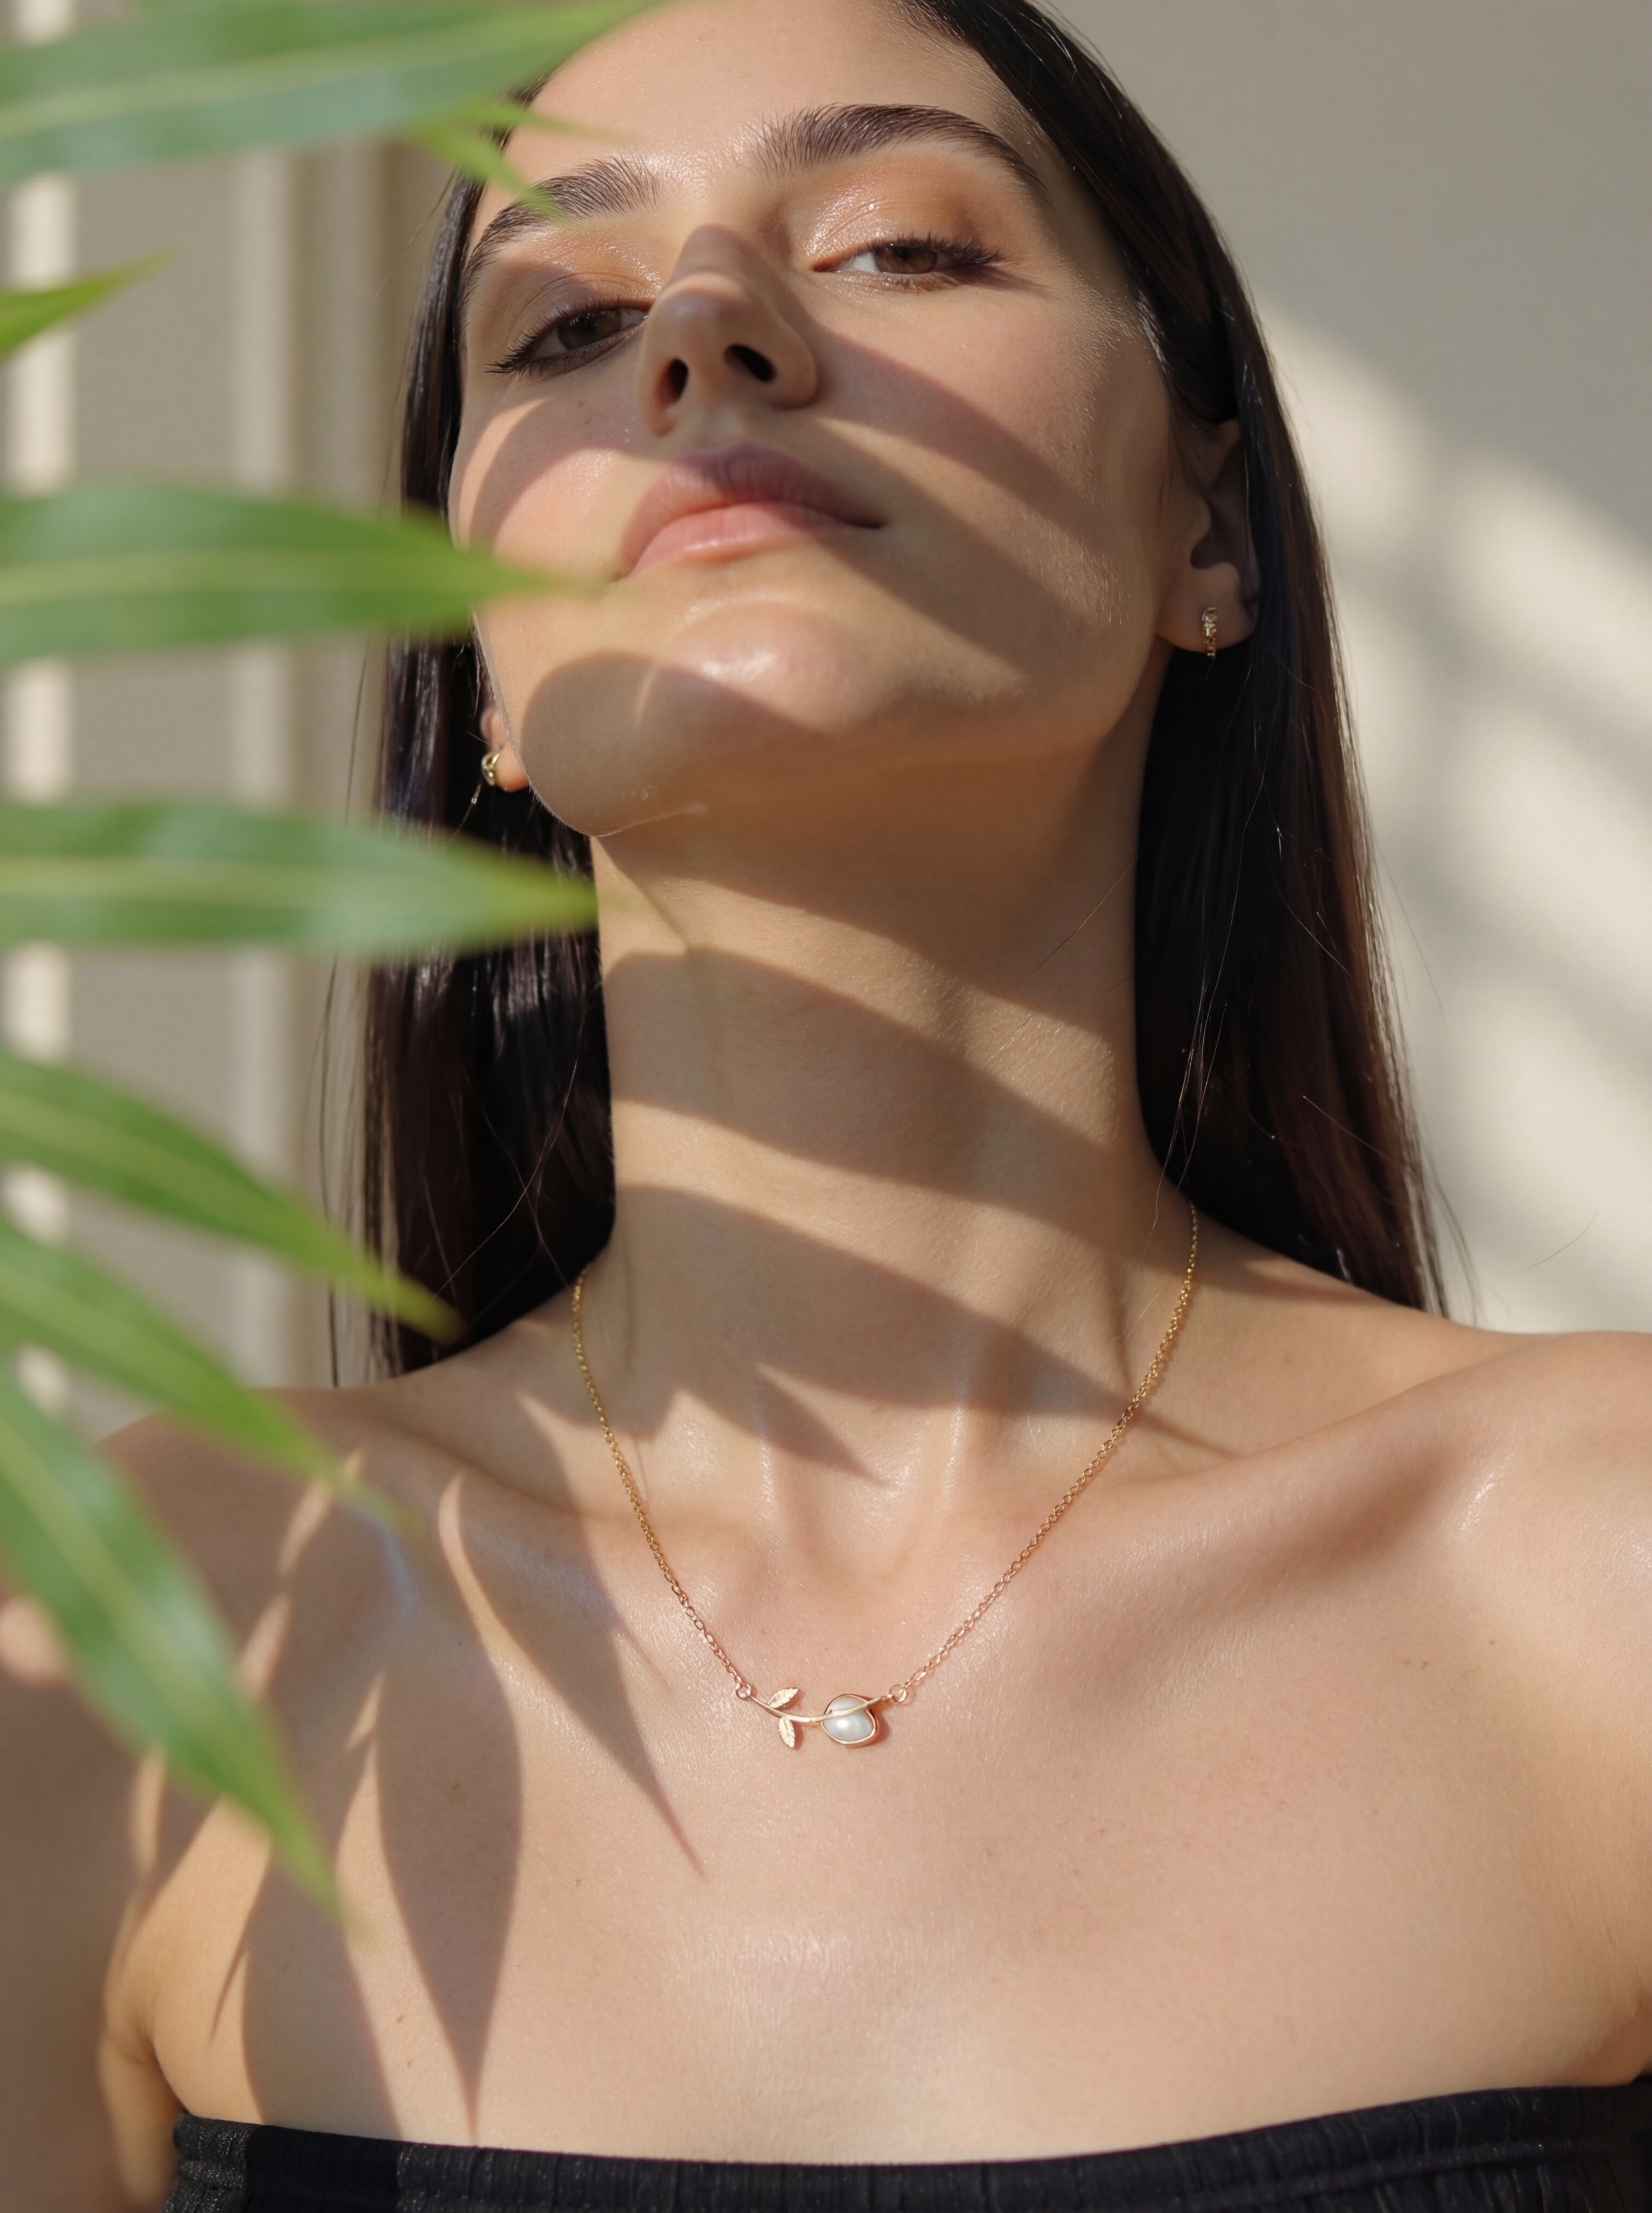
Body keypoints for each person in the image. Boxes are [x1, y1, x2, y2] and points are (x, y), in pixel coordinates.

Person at [4, 0, 1650, 2207]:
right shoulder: (165, 1637)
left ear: (1210, 527)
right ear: (475, 666)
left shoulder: (1592, 1568)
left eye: (895, 245)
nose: (700, 331)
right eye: (563, 320)